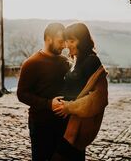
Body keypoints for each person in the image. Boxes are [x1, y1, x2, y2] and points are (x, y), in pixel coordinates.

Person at [51, 22, 109, 161]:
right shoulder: (79, 60)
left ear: (82, 41)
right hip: (69, 119)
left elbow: (99, 97)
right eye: (66, 40)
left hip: (77, 123)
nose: (67, 45)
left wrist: (69, 107)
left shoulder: (91, 61)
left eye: (72, 40)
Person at [17, 23, 71, 161]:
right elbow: (22, 94)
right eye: (60, 41)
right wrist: (48, 104)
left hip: (64, 125)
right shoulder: (31, 63)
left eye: (65, 42)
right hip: (41, 125)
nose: (64, 46)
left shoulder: (65, 62)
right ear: (48, 38)